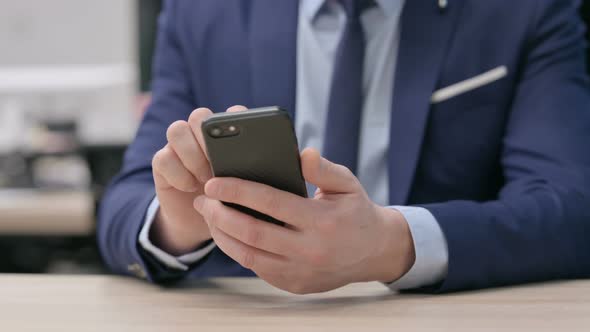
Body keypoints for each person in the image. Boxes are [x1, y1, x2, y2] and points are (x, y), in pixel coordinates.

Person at [98, 0, 590, 293]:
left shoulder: (523, 10)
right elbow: (124, 203)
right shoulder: (204, 12)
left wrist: (394, 244)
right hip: (252, 312)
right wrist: (180, 223)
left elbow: (569, 212)